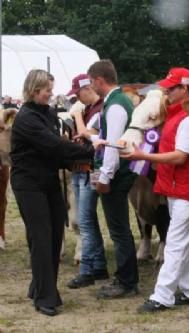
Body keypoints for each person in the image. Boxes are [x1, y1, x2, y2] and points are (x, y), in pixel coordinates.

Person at [121, 67, 189, 313]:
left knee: (175, 242)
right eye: (167, 88)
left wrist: (143, 155)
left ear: (184, 89)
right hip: (179, 187)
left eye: (171, 88)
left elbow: (181, 157)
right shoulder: (179, 115)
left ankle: (162, 295)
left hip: (186, 187)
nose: (166, 92)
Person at [10, 69, 95, 316]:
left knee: (55, 233)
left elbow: (55, 149)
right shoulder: (26, 117)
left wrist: (74, 155)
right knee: (42, 237)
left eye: (50, 88)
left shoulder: (47, 113)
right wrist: (91, 151)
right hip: (28, 184)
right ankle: (46, 297)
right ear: (34, 90)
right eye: (47, 89)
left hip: (48, 180)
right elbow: (53, 145)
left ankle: (38, 287)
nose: (51, 93)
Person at [87, 60, 138, 299]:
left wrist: (105, 176)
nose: (91, 86)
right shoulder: (116, 102)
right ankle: (125, 278)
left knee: (119, 229)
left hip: (116, 175)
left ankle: (126, 281)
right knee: (119, 228)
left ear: (99, 80)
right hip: (115, 173)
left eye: (91, 82)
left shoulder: (116, 106)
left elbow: (114, 145)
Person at [65, 74, 109, 289]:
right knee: (87, 219)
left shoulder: (100, 109)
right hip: (80, 168)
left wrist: (77, 116)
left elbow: (86, 135)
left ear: (86, 89)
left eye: (78, 94)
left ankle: (87, 269)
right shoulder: (90, 109)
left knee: (85, 221)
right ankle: (99, 265)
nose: (77, 99)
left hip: (90, 169)